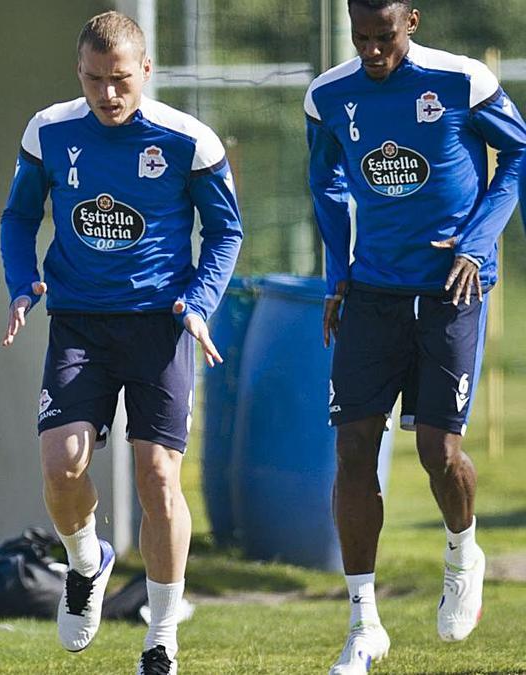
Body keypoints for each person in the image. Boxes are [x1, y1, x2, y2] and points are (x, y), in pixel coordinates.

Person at [0, 11, 242, 673]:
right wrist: (22, 283)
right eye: (94, 79)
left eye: (120, 80)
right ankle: (87, 562)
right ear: (79, 73)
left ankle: (161, 635)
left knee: (158, 476)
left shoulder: (187, 141)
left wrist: (199, 304)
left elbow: (226, 233)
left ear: (146, 72)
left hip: (160, 326)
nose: (107, 94)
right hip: (78, 321)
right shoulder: (49, 132)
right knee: (61, 465)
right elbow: (19, 217)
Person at [305, 1, 526, 672]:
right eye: (362, 37)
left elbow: (517, 155)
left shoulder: (462, 82)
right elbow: (326, 184)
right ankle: (363, 623)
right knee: (352, 449)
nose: (374, 51)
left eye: (387, 37)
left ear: (414, 22)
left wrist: (475, 240)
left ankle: (463, 553)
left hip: (452, 288)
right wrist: (337, 275)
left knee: (439, 450)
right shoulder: (328, 96)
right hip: (372, 292)